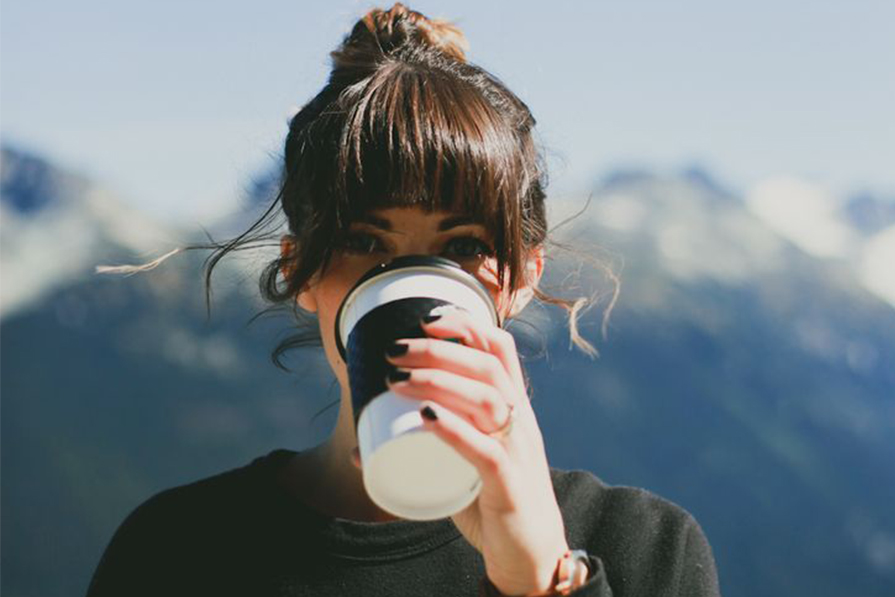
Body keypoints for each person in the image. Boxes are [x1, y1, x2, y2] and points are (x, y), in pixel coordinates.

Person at [87, 4, 720, 596]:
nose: (415, 277)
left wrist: (542, 579)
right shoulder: (177, 550)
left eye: (465, 244)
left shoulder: (644, 548)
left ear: (525, 276)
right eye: (363, 238)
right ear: (300, 270)